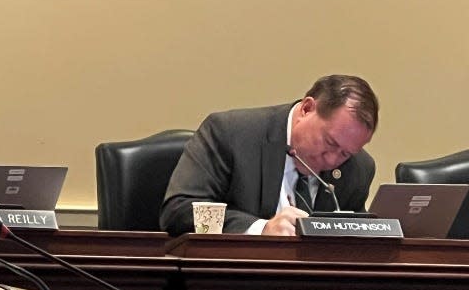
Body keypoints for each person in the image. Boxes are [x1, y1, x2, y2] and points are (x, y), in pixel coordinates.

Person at [160, 75, 378, 237]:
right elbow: (179, 210)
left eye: (345, 154)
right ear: (307, 109)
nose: (332, 160)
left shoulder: (359, 168)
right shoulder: (230, 135)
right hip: (232, 283)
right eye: (330, 143)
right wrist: (261, 228)